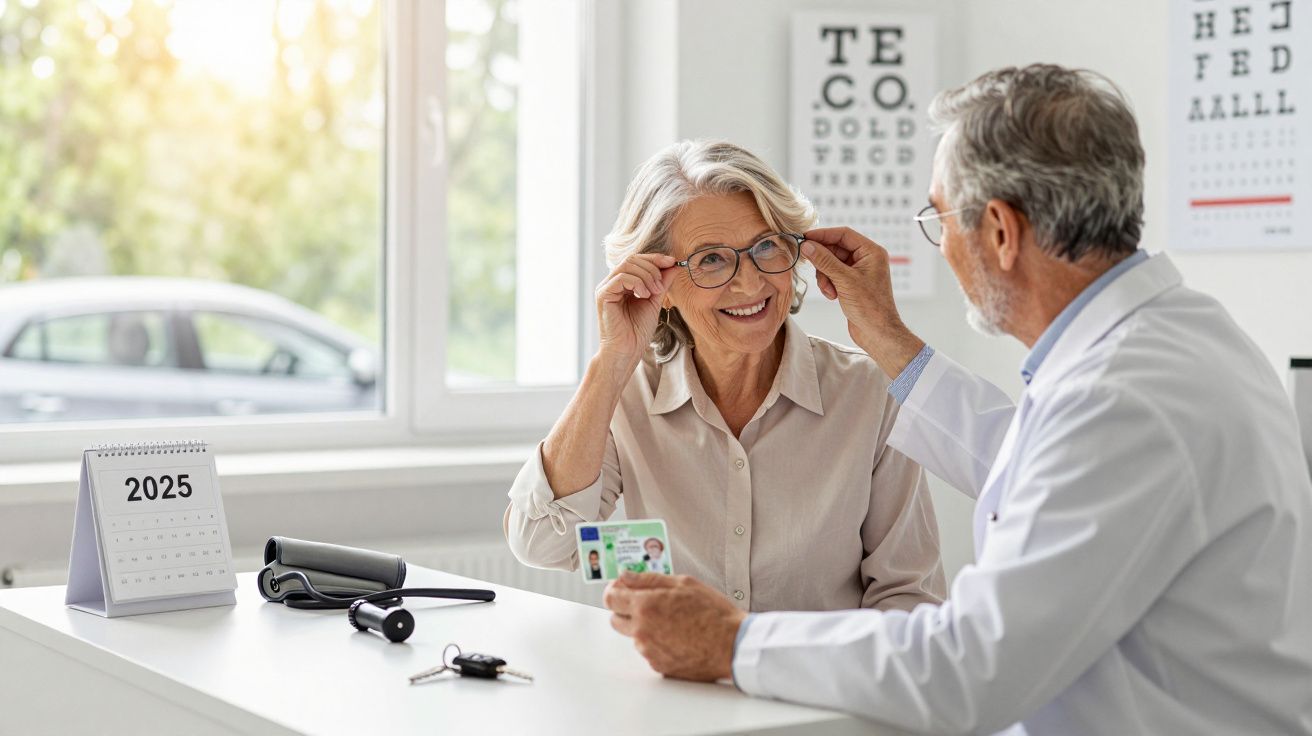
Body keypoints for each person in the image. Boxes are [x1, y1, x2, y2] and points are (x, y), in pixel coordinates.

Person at [603, 64, 1312, 734]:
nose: (940, 244)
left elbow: (972, 666)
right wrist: (888, 338)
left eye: (940, 218)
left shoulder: (1123, 396)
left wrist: (735, 641)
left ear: (1000, 232)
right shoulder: (1170, 343)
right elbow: (1037, 464)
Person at [504, 140, 946, 613]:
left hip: (817, 684)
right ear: (660, 284)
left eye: (766, 247)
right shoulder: (626, 397)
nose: (750, 283)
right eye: (711, 259)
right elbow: (539, 544)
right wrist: (611, 361)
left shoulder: (869, 392)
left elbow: (908, 598)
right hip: (673, 686)